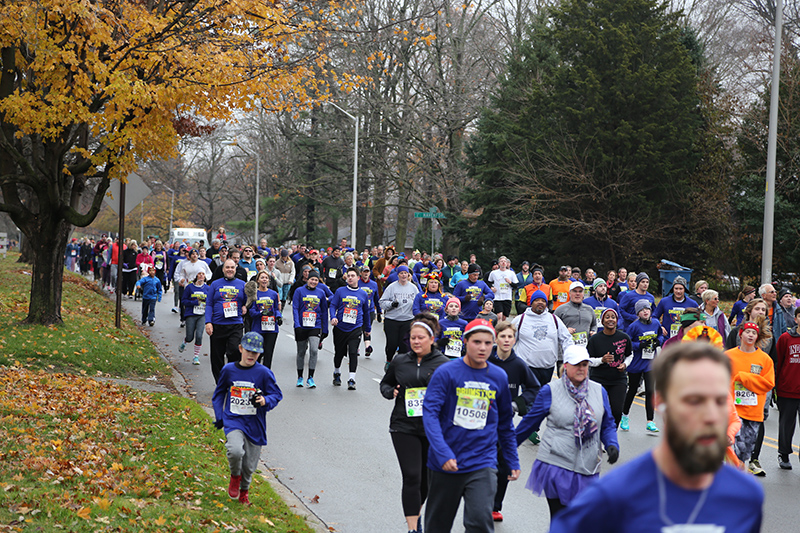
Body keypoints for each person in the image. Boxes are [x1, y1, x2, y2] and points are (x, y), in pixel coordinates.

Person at [549, 342, 764, 532]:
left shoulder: (746, 496)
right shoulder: (616, 495)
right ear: (661, 402)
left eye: (718, 400)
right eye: (694, 400)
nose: (710, 416)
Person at [422, 319, 521, 533]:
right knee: (437, 526)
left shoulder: (498, 376)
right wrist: (443, 452)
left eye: (488, 343)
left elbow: (505, 423)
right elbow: (430, 414)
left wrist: (512, 458)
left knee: (479, 522)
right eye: (477, 342)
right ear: (466, 342)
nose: (483, 348)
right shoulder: (446, 373)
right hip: (446, 462)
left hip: (482, 461)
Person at [515, 345, 619, 520]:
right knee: (561, 519)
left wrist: (611, 444)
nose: (581, 368)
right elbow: (529, 423)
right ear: (566, 365)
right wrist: (506, 448)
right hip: (556, 464)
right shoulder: (550, 391)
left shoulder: (598, 391)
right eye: (577, 364)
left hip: (588, 466)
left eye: (585, 364)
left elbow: (607, 423)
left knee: (583, 520)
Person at [379, 314, 449, 533]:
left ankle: (415, 512)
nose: (416, 342)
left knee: (425, 481)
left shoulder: (444, 365)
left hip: (433, 429)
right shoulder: (400, 361)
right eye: (412, 338)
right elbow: (385, 384)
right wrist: (391, 392)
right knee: (412, 476)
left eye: (420, 338)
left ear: (431, 338)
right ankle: (412, 529)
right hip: (403, 426)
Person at [212, 332, 283, 506]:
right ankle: (235, 476)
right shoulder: (229, 370)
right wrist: (220, 416)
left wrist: (265, 400)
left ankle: (244, 491)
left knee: (250, 466)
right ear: (240, 348)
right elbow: (219, 393)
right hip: (233, 420)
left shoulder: (264, 373)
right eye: (248, 350)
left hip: (254, 424)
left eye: (256, 352)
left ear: (260, 354)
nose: (251, 355)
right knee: (235, 450)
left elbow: (276, 394)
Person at [489, 321, 540, 521]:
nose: (507, 340)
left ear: (514, 339)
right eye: (503, 336)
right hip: (480, 422)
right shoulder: (486, 359)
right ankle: (480, 500)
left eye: (510, 337)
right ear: (496, 338)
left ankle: (495, 506)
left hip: (504, 423)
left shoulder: (518, 365)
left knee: (503, 467)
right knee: (484, 465)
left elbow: (534, 388)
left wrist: (516, 404)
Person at [725, 317, 775, 472]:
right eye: (747, 332)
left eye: (754, 332)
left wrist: (743, 377)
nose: (751, 335)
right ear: (740, 334)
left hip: (753, 412)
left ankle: (736, 476)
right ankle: (732, 481)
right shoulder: (728, 356)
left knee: (744, 453)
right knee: (732, 449)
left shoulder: (764, 359)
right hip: (732, 412)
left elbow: (768, 383)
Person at [512, 290, 573, 387]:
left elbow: (566, 339)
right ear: (531, 303)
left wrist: (570, 356)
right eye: (537, 300)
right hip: (527, 367)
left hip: (548, 367)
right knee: (529, 397)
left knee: (544, 397)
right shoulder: (520, 319)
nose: (540, 303)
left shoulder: (554, 319)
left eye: (543, 301)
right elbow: (509, 341)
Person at [620, 299, 664, 433]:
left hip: (650, 363)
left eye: (647, 309)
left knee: (650, 391)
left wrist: (658, 341)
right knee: (632, 389)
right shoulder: (634, 326)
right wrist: (640, 345)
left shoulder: (656, 323)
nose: (645, 311)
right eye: (642, 310)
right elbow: (627, 343)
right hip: (636, 363)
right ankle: (625, 416)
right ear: (638, 313)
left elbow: (661, 336)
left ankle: (650, 421)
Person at [329, 267, 372, 390]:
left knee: (353, 352)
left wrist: (367, 329)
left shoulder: (363, 294)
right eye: (348, 276)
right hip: (340, 327)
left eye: (353, 276)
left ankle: (351, 379)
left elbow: (366, 312)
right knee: (339, 353)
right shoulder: (340, 291)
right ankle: (337, 373)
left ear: (358, 278)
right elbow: (333, 305)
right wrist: (333, 317)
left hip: (355, 328)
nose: (350, 278)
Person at [587, 308, 631, 427]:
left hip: (618, 380)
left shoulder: (624, 337)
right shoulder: (595, 339)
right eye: (607, 317)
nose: (610, 319)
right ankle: (597, 435)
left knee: (616, 412)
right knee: (598, 411)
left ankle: (610, 435)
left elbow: (630, 355)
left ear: (617, 320)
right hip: (598, 379)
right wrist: (602, 360)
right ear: (602, 321)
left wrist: (624, 364)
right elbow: (589, 361)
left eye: (613, 317)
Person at [205, 259, 247, 383]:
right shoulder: (215, 284)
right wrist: (208, 322)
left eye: (232, 267)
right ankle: (220, 383)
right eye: (227, 267)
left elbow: (248, 300)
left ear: (235, 269)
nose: (230, 270)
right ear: (223, 269)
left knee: (235, 350)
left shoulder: (242, 284)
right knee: (217, 356)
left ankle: (232, 378)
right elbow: (209, 304)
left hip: (235, 324)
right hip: (218, 324)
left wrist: (245, 306)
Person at [292, 270, 329, 388]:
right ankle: (300, 377)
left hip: (315, 325)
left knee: (314, 350)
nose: (313, 282)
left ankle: (311, 377)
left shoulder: (321, 292)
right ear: (308, 279)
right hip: (302, 326)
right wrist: (297, 324)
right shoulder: (299, 291)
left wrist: (325, 329)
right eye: (312, 279)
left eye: (316, 280)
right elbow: (295, 308)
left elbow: (324, 311)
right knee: (301, 352)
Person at [380, 266, 420, 370]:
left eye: (405, 273)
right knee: (392, 344)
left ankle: (401, 365)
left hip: (407, 320)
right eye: (401, 273)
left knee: (404, 345)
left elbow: (418, 302)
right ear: (398, 275)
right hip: (392, 320)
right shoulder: (392, 287)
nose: (403, 275)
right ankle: (389, 360)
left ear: (408, 275)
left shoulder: (413, 288)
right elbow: (382, 302)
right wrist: (392, 304)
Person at [776, 306, 800, 470]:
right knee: (786, 424)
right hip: (788, 389)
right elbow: (778, 362)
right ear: (796, 318)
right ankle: (784, 453)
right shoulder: (786, 338)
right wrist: (775, 387)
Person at [247, 271, 282, 369]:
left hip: (271, 328)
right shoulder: (254, 293)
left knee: (268, 353)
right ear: (258, 280)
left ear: (269, 280)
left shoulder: (273, 294)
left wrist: (278, 316)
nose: (264, 280)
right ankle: (256, 372)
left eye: (266, 278)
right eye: (262, 278)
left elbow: (276, 309)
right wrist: (261, 313)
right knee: (258, 353)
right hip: (258, 328)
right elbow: (252, 312)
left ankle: (266, 376)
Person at [180, 270, 211, 365]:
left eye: (203, 274)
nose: (201, 275)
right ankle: (185, 342)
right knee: (190, 337)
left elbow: (210, 302)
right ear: (196, 275)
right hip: (191, 314)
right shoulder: (189, 287)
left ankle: (196, 357)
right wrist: (194, 303)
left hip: (202, 315)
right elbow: (183, 301)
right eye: (199, 274)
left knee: (199, 336)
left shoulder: (207, 288)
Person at [554, 281, 596, 348]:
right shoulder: (560, 309)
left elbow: (594, 324)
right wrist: (564, 331)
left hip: (585, 350)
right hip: (566, 349)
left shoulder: (589, 309)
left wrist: (593, 331)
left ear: (583, 293)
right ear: (569, 293)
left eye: (580, 291)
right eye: (574, 291)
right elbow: (553, 328)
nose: (577, 294)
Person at [358, 265, 381, 355]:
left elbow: (376, 298)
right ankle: (356, 348)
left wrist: (379, 311)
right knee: (358, 329)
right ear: (361, 273)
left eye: (367, 272)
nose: (366, 273)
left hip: (370, 310)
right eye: (364, 272)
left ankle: (367, 347)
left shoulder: (373, 284)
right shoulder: (357, 283)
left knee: (367, 328)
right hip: (359, 310)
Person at [487, 256, 516, 321]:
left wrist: (510, 282)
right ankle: (497, 329)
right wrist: (491, 287)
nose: (503, 263)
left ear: (507, 263)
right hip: (497, 297)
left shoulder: (511, 273)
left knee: (504, 317)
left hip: (507, 297)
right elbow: (488, 282)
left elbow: (516, 285)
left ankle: (501, 328)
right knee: (499, 315)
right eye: (501, 261)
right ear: (499, 263)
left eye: (505, 261)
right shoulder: (493, 273)